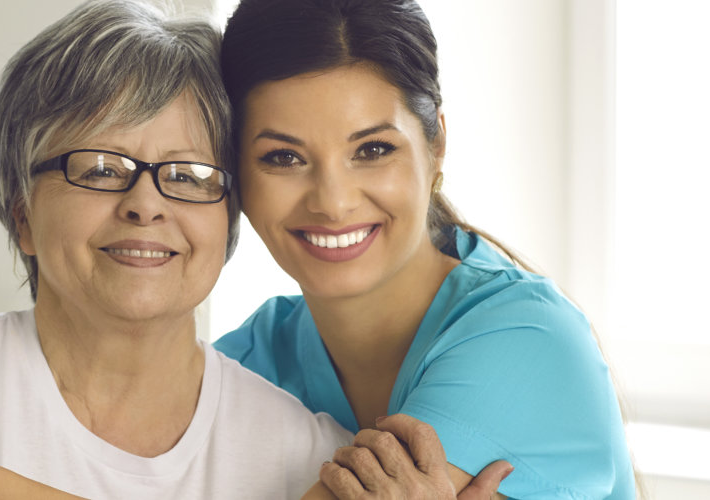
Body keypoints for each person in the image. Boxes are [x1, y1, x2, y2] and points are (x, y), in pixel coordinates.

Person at [0, 1, 360, 498]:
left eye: (188, 174)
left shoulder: (308, 455)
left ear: (228, 217)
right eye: (100, 168)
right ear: (21, 214)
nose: (146, 204)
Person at [213, 0, 638, 498]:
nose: (333, 202)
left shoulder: (528, 336)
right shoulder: (250, 360)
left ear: (436, 145)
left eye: (372, 150)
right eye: (283, 157)